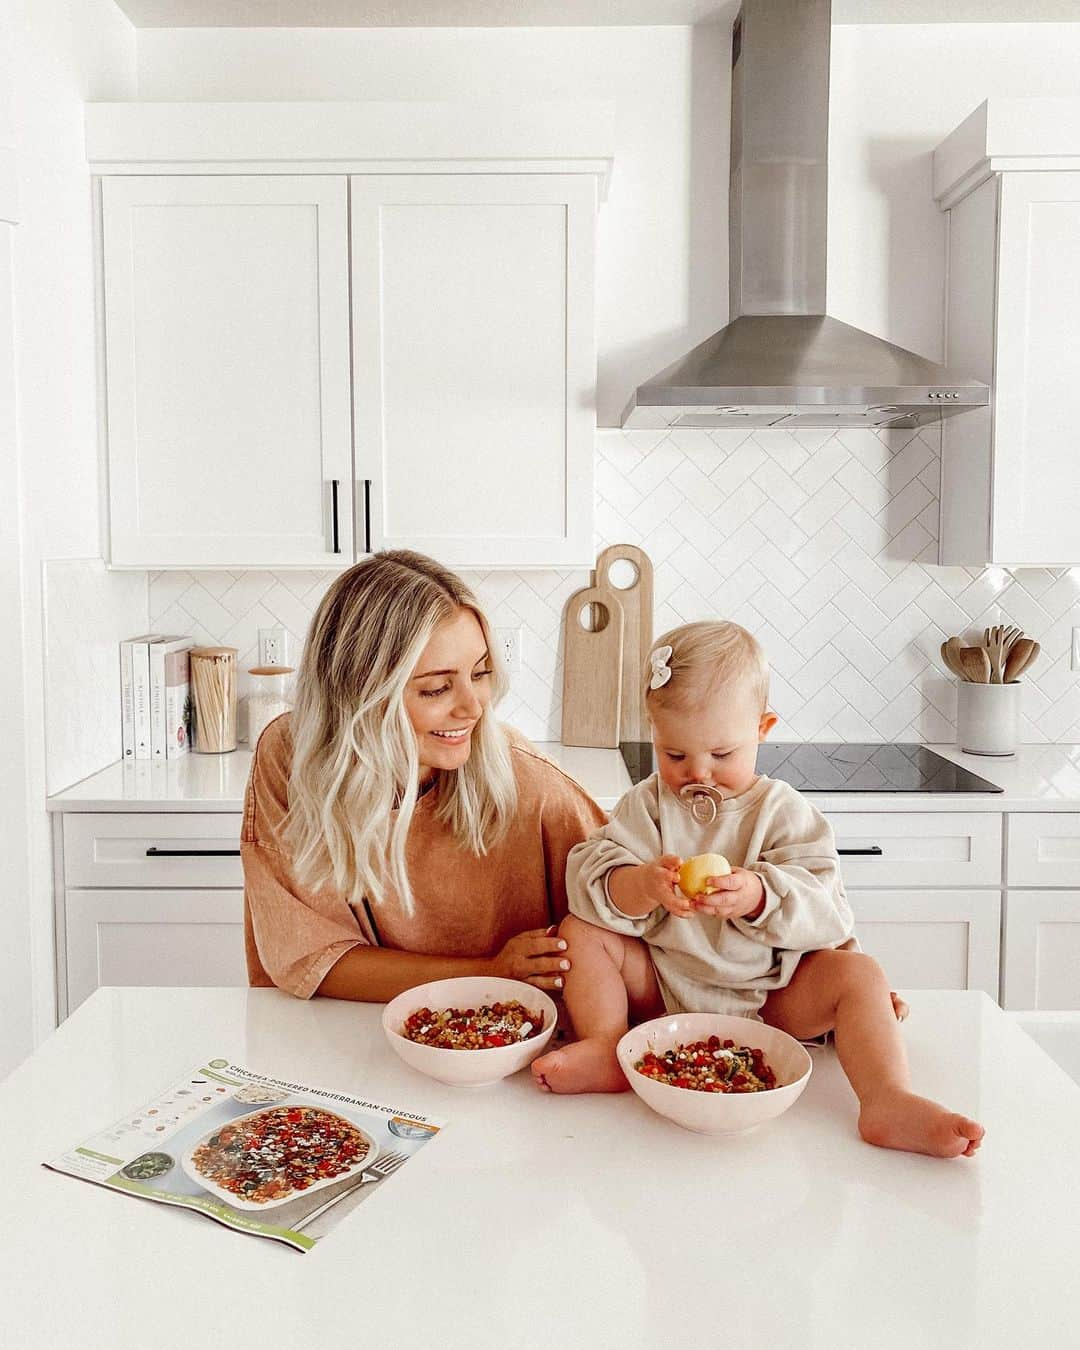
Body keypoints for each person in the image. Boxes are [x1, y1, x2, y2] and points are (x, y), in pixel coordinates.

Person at [531, 620, 985, 1159]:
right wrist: (641, 885)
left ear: (763, 728)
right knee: (580, 931)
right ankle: (609, 1044)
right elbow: (589, 878)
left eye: (722, 754)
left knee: (859, 974)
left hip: (773, 995)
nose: (698, 771)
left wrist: (760, 895)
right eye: (675, 755)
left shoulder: (784, 812)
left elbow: (827, 911)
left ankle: (886, 1099)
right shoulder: (647, 805)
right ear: (653, 732)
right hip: (662, 989)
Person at [241, 550, 605, 1002]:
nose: (473, 707)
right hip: (348, 1034)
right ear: (360, 694)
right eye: (436, 687)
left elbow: (622, 939)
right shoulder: (292, 759)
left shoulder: (534, 787)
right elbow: (311, 960)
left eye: (481, 673)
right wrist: (490, 971)